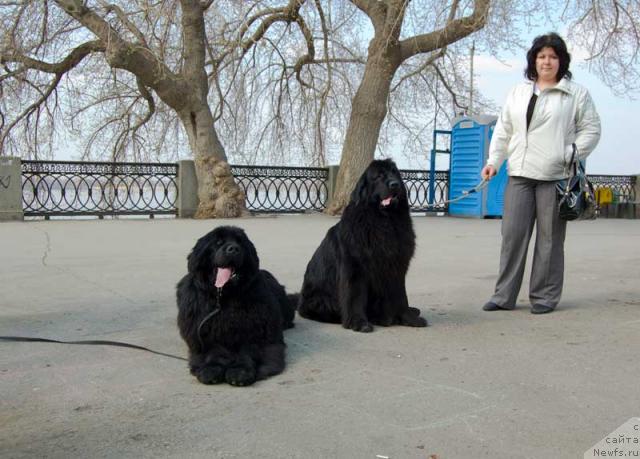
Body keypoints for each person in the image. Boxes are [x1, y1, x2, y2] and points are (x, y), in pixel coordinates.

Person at [481, 32, 601, 314]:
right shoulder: (518, 92)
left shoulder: (576, 94)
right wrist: (493, 161)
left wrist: (570, 153)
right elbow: (503, 131)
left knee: (550, 241)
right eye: (542, 56)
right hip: (520, 174)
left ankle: (544, 297)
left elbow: (592, 130)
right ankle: (503, 296)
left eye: (553, 56)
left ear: (562, 61)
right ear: (533, 60)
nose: (547, 61)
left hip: (555, 176)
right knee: (512, 236)